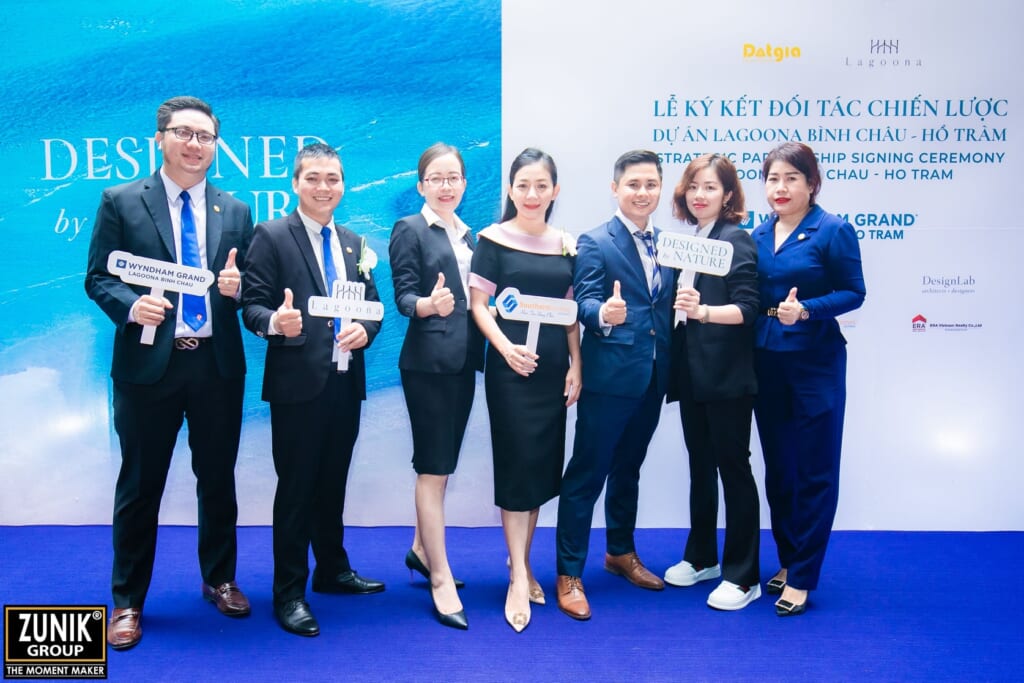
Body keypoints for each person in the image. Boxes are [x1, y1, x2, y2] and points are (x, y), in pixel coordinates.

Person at [85, 96, 254, 650]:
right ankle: (128, 601)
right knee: (140, 485)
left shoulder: (236, 210)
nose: (194, 145)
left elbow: (248, 286)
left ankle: (220, 579)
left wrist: (238, 290)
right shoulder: (121, 201)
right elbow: (98, 278)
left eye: (205, 137)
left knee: (218, 479)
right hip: (147, 368)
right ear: (160, 138)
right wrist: (132, 306)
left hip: (216, 365)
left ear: (215, 146)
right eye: (184, 133)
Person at [242, 142, 385, 637]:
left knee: (332, 482)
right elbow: (252, 305)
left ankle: (332, 570)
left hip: (346, 382)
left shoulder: (353, 243)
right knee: (297, 489)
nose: (324, 187)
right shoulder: (271, 235)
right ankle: (289, 593)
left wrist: (366, 330)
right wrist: (274, 323)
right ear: (296, 184)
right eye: (314, 178)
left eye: (333, 179)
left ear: (343, 185)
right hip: (297, 385)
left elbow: (373, 307)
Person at [555, 149, 674, 621]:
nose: (642, 193)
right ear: (615, 188)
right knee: (587, 475)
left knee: (629, 468)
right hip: (610, 379)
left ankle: (620, 552)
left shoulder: (670, 244)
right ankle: (569, 573)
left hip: (654, 375)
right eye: (633, 184)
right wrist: (604, 312)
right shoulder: (595, 241)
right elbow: (583, 302)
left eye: (651, 184)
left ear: (661, 188)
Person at [469, 148, 582, 633]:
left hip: (553, 371)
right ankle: (517, 576)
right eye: (523, 185)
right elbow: (479, 305)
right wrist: (506, 349)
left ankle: (523, 561)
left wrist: (577, 364)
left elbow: (570, 312)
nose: (532, 194)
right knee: (517, 468)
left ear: (555, 191)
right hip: (511, 371)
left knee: (538, 469)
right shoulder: (492, 240)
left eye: (541, 186)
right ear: (511, 190)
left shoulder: (567, 245)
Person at [751, 142, 866, 616]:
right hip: (766, 362)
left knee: (815, 469)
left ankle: (802, 575)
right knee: (780, 469)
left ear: (812, 183)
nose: (780, 188)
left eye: (791, 178)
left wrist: (808, 310)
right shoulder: (758, 234)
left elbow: (854, 292)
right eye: (773, 179)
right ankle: (788, 557)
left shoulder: (833, 230)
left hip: (816, 363)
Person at [389, 143, 484, 630]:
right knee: (432, 468)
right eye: (436, 178)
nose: (446, 186)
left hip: (464, 363)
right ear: (421, 185)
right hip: (427, 365)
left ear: (464, 183)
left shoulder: (470, 235)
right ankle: (440, 577)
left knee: (443, 466)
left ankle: (421, 550)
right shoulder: (409, 228)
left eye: (453, 178)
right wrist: (429, 305)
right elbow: (403, 296)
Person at [664, 154, 762, 610]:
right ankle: (702, 557)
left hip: (726, 378)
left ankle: (743, 575)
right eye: (693, 187)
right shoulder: (693, 240)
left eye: (710, 187)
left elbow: (748, 309)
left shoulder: (735, 239)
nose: (699, 195)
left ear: (727, 196)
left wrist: (702, 311)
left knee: (733, 470)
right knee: (700, 467)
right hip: (692, 374)